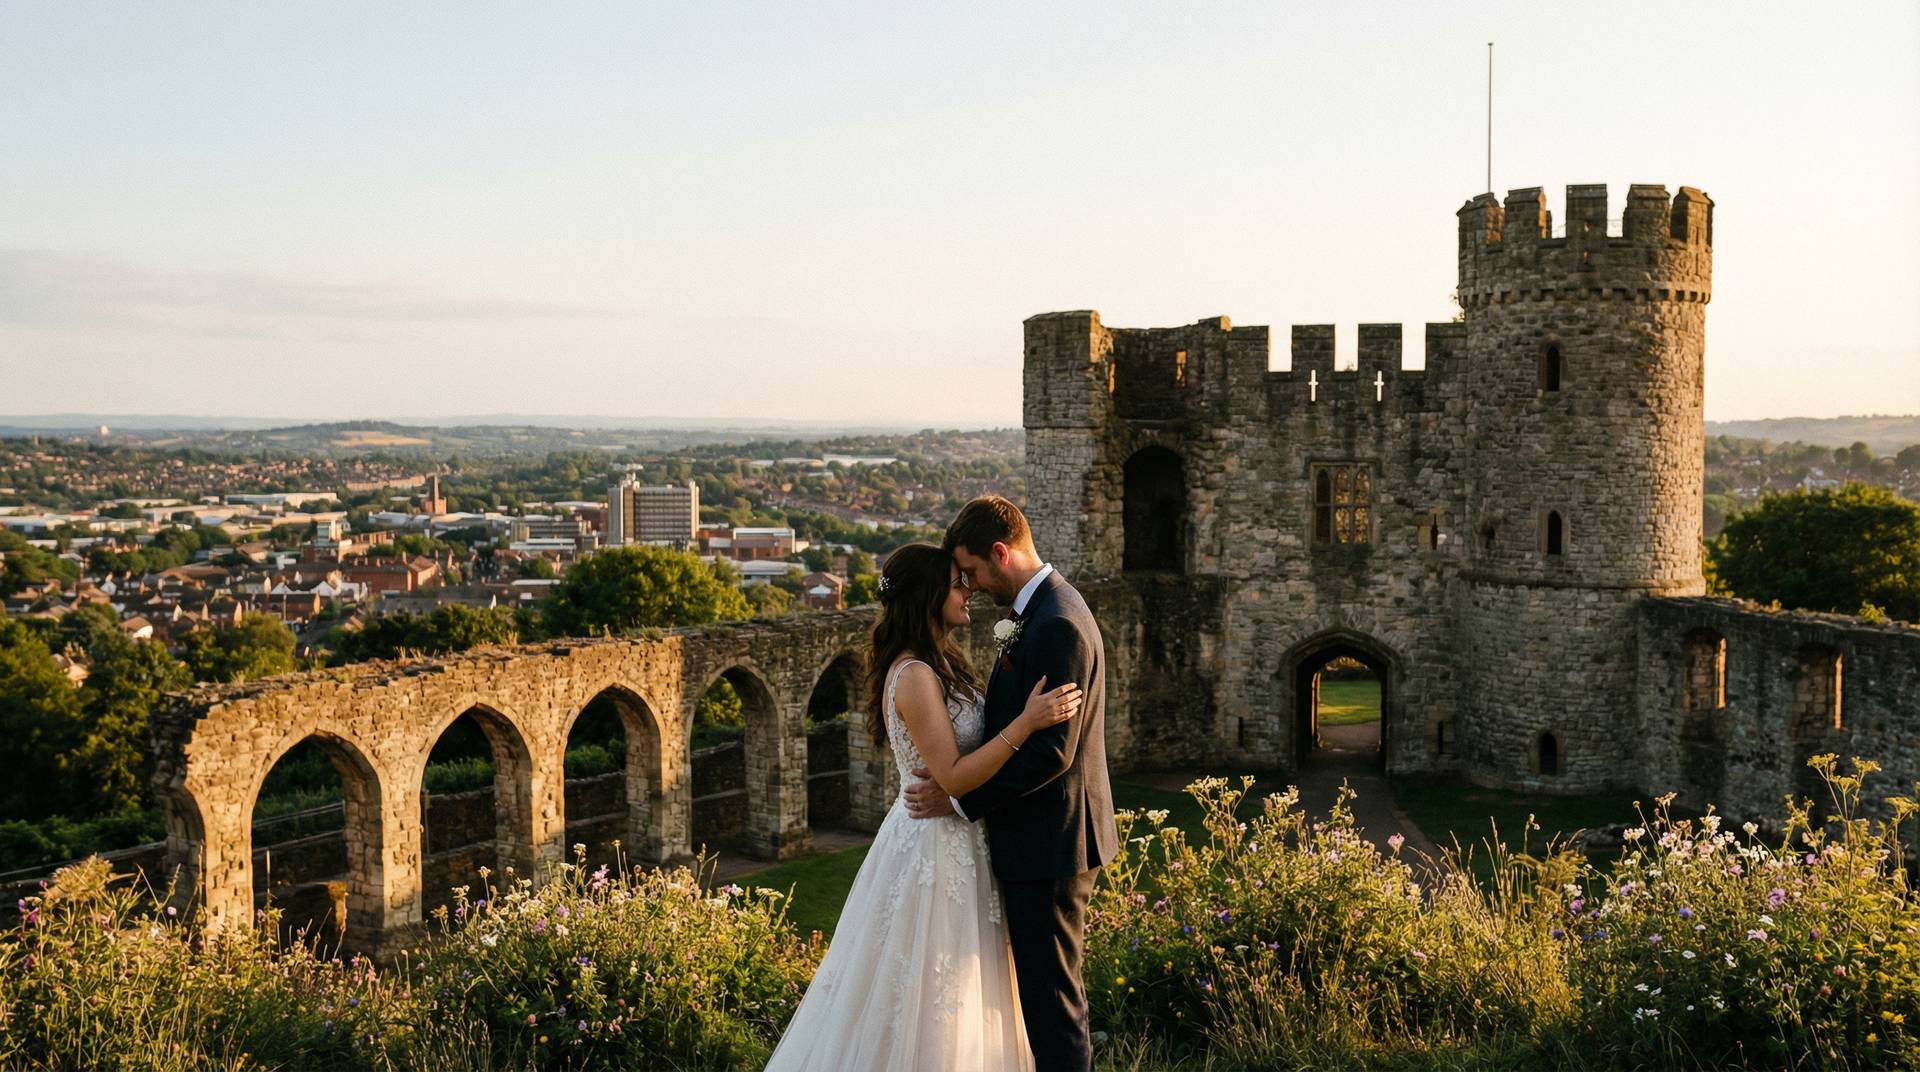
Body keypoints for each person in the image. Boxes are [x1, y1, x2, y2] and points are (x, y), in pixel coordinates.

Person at [764, 541, 1083, 1071]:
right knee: (928, 994)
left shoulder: (943, 661)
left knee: (967, 989)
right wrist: (1026, 723)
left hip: (964, 841)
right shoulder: (912, 675)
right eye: (957, 582)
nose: (969, 590)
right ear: (927, 595)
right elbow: (954, 776)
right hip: (933, 849)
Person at [906, 496, 1118, 1072]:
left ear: (1001, 553)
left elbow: (1051, 754)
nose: (971, 586)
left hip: (1050, 844)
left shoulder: (1056, 623)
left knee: (1053, 1011)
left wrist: (958, 799)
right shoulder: (1041, 611)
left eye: (972, 571)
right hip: (1042, 840)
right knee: (1044, 1004)